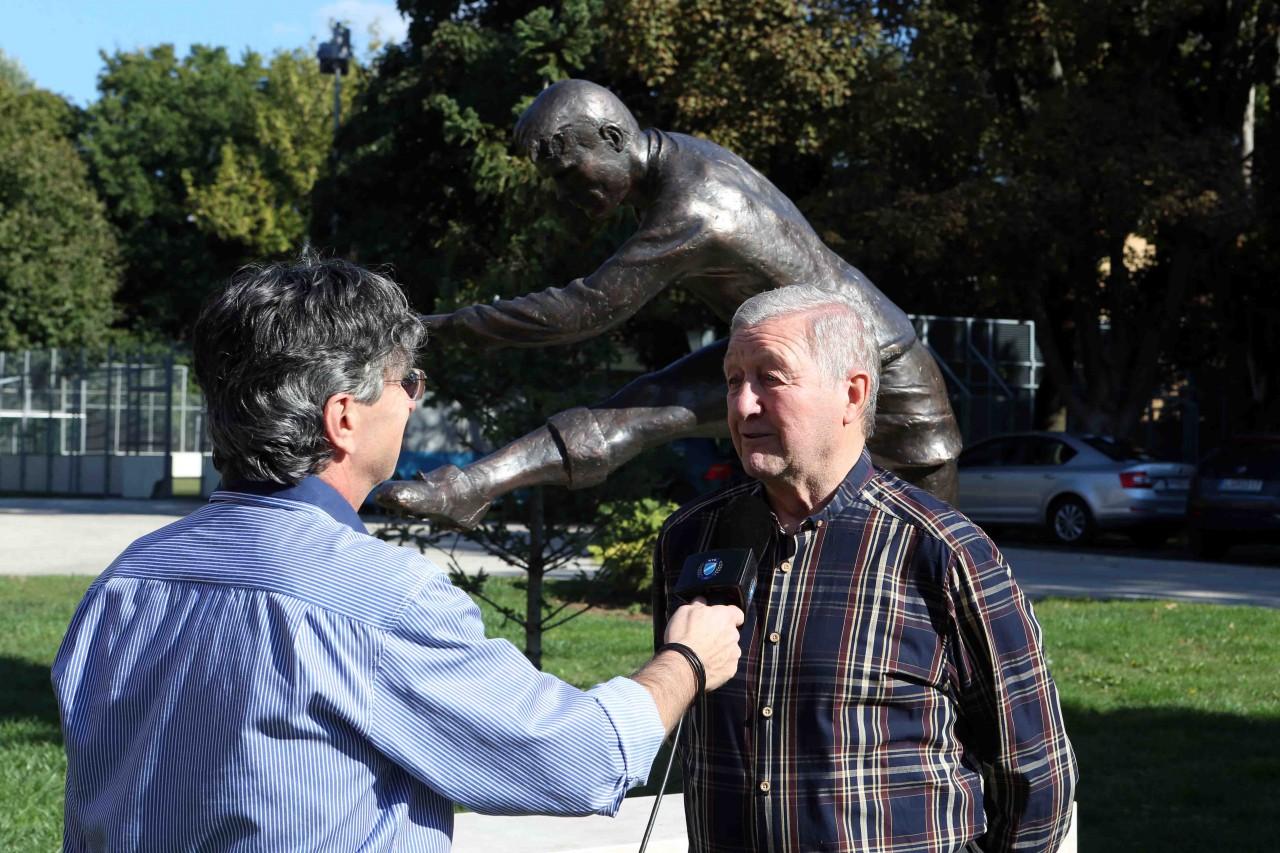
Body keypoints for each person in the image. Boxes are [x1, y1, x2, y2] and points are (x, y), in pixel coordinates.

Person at [51, 256, 744, 852]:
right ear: (343, 418)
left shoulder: (127, 580)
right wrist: (685, 662)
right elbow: (574, 759)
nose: (413, 402)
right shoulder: (380, 598)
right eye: (406, 381)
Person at [373, 79, 961, 528]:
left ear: (612, 139)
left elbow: (582, 310)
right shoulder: (684, 158)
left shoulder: (695, 206)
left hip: (878, 379)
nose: (567, 193)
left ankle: (467, 488)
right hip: (791, 353)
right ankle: (466, 489)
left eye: (570, 172)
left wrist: (441, 329)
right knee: (641, 406)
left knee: (934, 573)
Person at [652, 286, 1077, 852]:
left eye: (770, 378)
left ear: (851, 394)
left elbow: (1034, 777)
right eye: (734, 380)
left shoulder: (942, 551)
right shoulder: (690, 539)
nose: (743, 405)